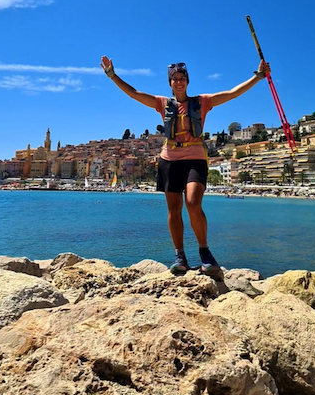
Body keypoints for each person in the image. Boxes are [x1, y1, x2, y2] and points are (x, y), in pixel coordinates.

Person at [100, 56, 270, 278]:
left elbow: (233, 93)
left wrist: (257, 76)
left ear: (187, 82)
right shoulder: (163, 103)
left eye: (182, 78)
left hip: (195, 157)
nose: (178, 82)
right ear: (170, 83)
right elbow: (134, 93)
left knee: (192, 202)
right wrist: (113, 75)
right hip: (169, 158)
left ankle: (205, 253)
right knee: (173, 209)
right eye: (175, 79)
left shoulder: (203, 101)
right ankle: (180, 256)